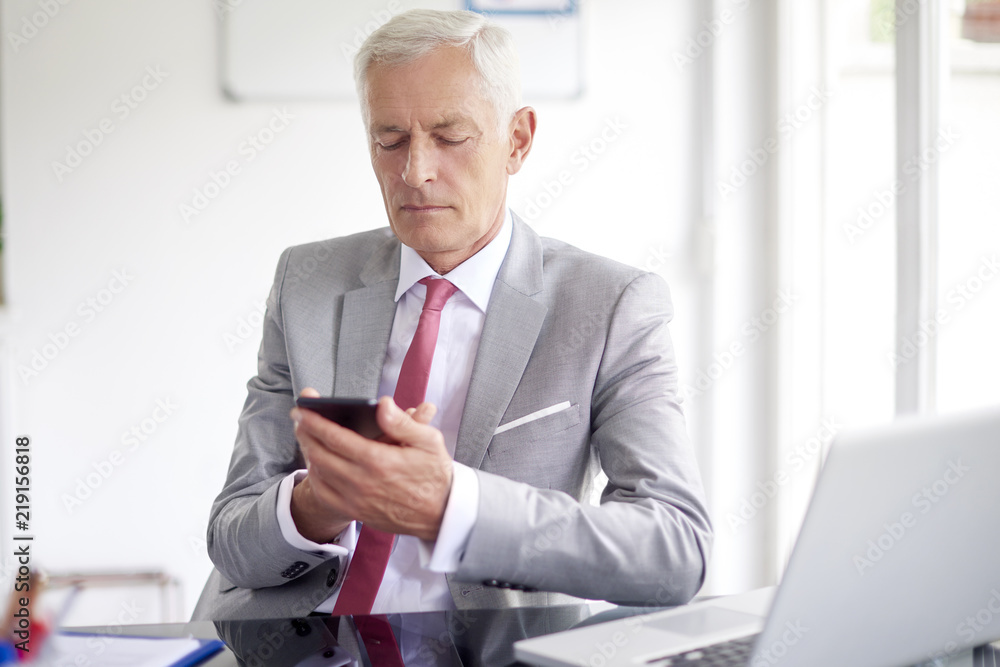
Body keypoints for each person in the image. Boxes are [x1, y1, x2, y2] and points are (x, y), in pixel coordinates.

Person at [192, 8, 712, 622]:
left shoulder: (609, 306)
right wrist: (313, 506)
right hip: (299, 645)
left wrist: (452, 505)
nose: (414, 172)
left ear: (517, 140)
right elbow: (231, 538)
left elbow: (675, 550)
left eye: (449, 137)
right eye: (389, 140)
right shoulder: (307, 284)